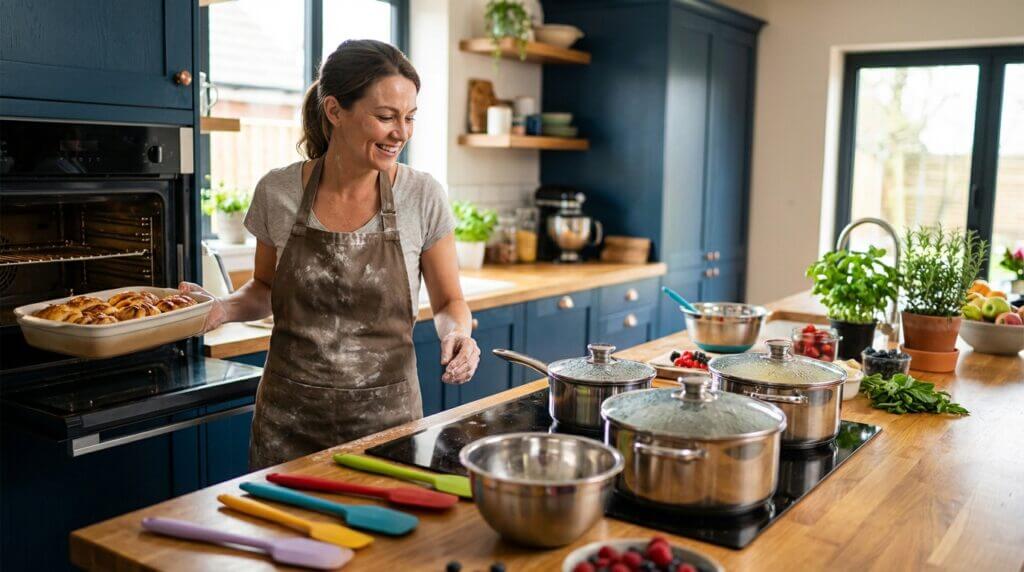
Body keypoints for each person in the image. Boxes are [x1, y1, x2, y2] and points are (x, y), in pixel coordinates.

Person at [181, 40, 480, 469]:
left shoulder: (422, 195)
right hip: (288, 421)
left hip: (388, 422)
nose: (402, 133)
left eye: (410, 117)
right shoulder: (277, 191)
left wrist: (458, 334)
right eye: (385, 117)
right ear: (335, 110)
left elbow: (450, 301)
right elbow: (265, 288)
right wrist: (222, 309)